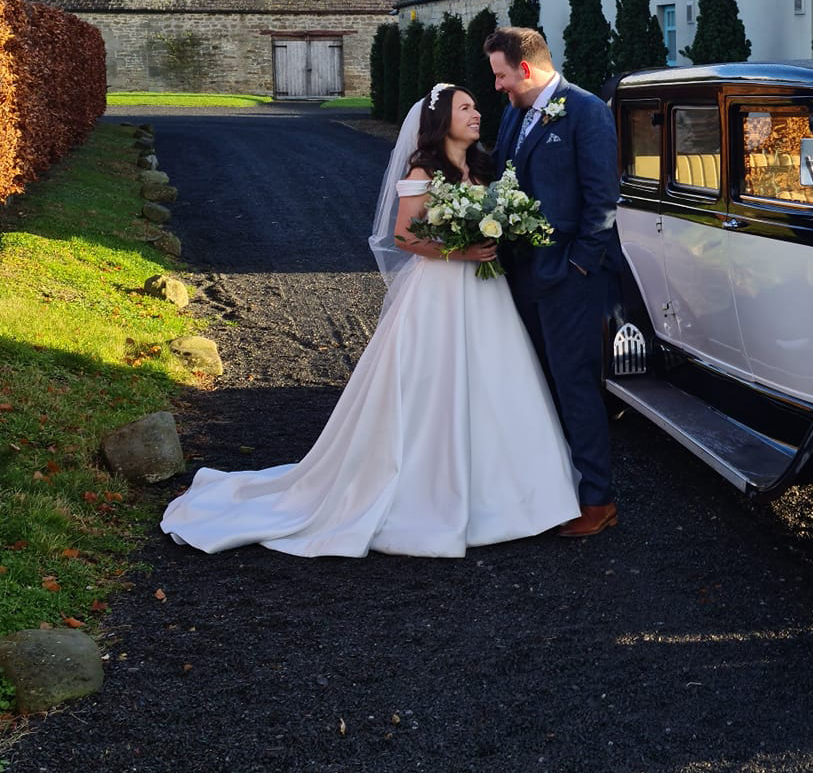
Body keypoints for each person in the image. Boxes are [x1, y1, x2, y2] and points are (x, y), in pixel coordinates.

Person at [159, 84, 581, 558]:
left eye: (476, 105)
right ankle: (429, 489)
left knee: (497, 378)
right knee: (433, 384)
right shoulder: (424, 169)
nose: (477, 113)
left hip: (486, 292)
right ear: (443, 120)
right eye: (467, 107)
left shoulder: (483, 167)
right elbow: (403, 237)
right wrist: (462, 250)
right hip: (439, 292)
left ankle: (518, 493)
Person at [484, 27, 621, 538]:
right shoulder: (514, 111)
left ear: (524, 69)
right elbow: (505, 177)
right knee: (535, 383)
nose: (496, 86)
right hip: (521, 275)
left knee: (575, 384)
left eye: (500, 75)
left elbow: (603, 198)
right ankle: (550, 489)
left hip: (568, 278)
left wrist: (579, 267)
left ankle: (596, 499)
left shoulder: (586, 111)